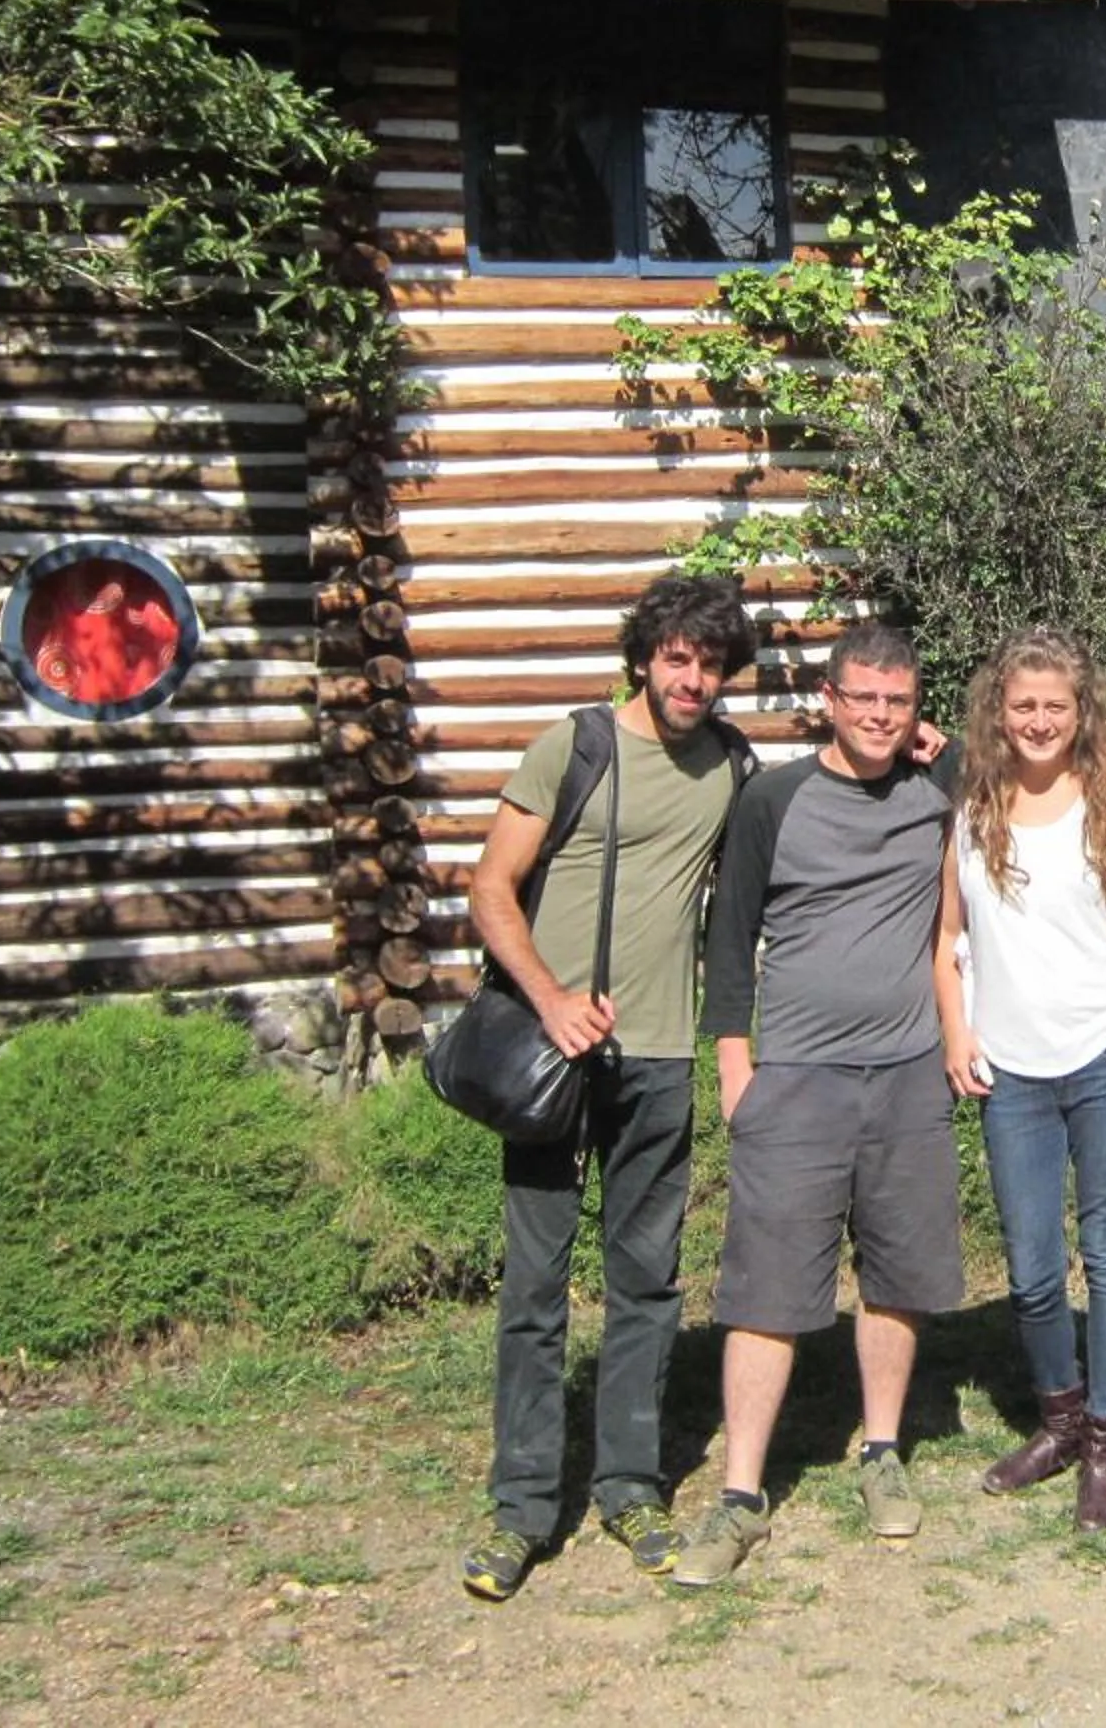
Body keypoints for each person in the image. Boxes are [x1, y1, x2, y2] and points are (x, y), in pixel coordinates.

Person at [458, 574, 760, 1602]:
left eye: (711, 662)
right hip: (557, 1055)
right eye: (677, 656)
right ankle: (522, 1508)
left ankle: (631, 1488)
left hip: (663, 1057)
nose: (693, 677)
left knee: (648, 1285)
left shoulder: (731, 764)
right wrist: (548, 999)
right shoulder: (574, 746)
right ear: (645, 656)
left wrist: (926, 749)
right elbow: (489, 887)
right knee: (536, 1286)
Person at [674, 620, 967, 1587]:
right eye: (864, 699)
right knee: (765, 1286)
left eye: (899, 700)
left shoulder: (938, 792)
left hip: (909, 1072)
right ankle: (740, 1495)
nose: (881, 716)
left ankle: (882, 1452)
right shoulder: (776, 798)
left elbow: (1032, 784)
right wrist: (734, 1068)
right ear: (831, 703)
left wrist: (953, 751)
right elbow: (729, 933)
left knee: (896, 1274)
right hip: (794, 1077)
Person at [935, 628, 1106, 1531]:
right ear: (998, 715)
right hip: (1014, 1070)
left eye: (1056, 707)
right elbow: (947, 941)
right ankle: (1059, 1418)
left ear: (1082, 715)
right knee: (1034, 1265)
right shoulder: (973, 808)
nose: (1039, 722)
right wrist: (957, 1028)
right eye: (1023, 706)